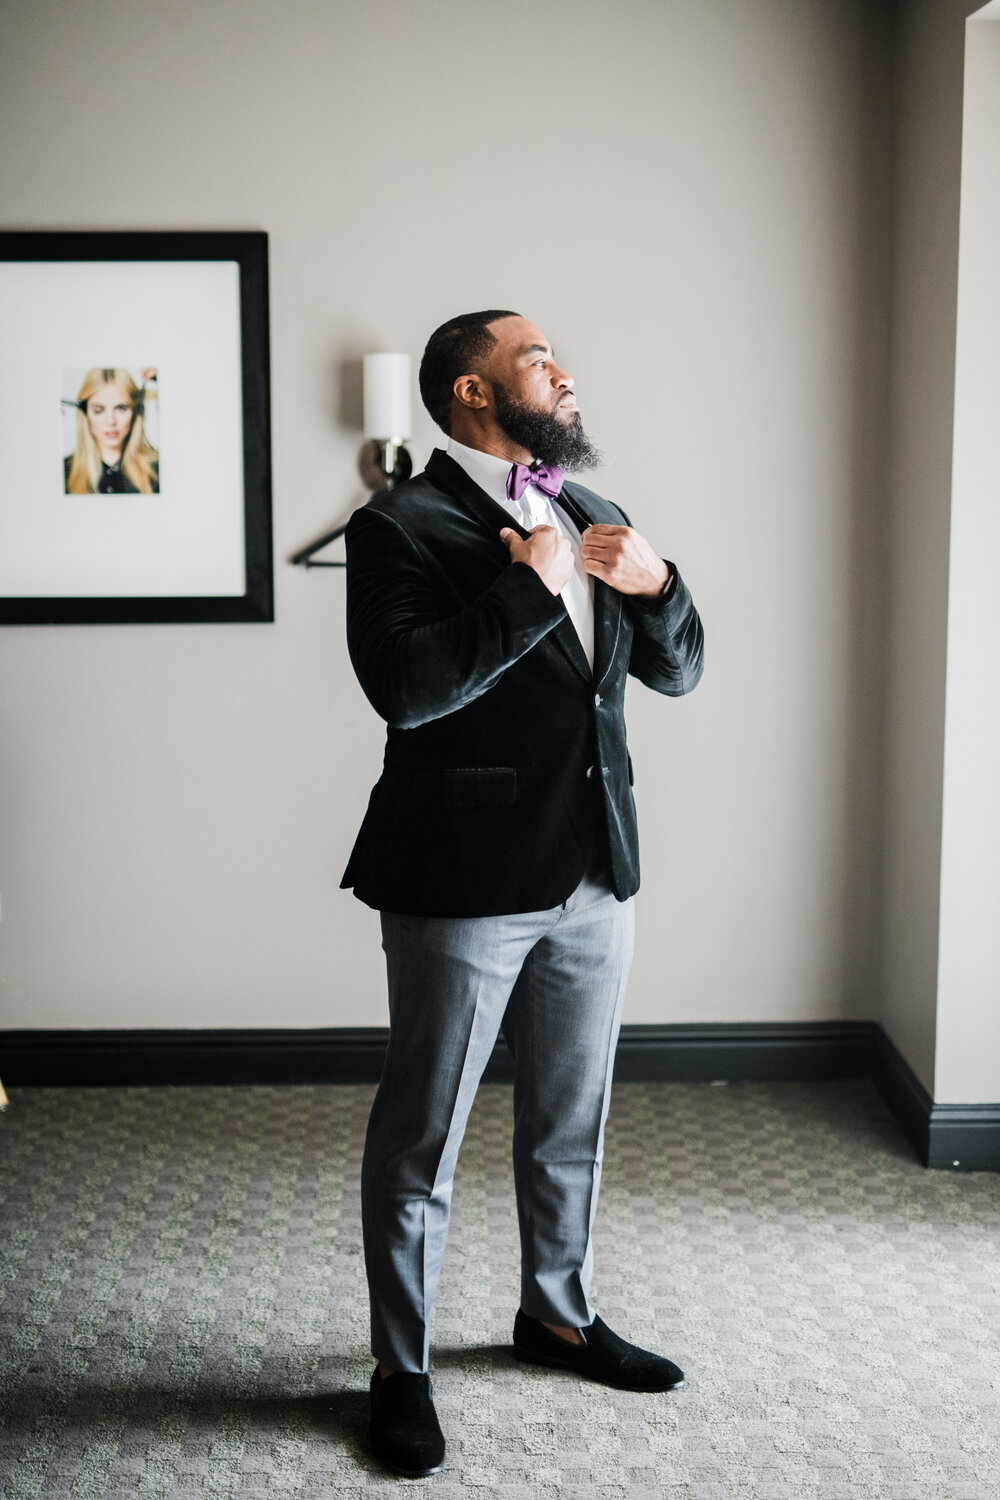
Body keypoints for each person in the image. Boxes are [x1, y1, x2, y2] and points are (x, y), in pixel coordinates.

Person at [341, 310, 704, 1477]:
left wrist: (657, 584)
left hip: (598, 868)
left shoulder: (596, 511)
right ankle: (401, 1368)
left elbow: (679, 669)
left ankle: (556, 1313)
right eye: (538, 358)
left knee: (569, 1122)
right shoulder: (399, 524)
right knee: (422, 1136)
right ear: (473, 394)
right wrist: (525, 594)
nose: (566, 370)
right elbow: (406, 690)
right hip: (462, 879)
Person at [64, 367, 159, 494]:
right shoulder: (63, 472)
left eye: (121, 408)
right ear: (85, 413)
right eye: (99, 410)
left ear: (136, 411)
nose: (111, 421)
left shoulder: (158, 469)